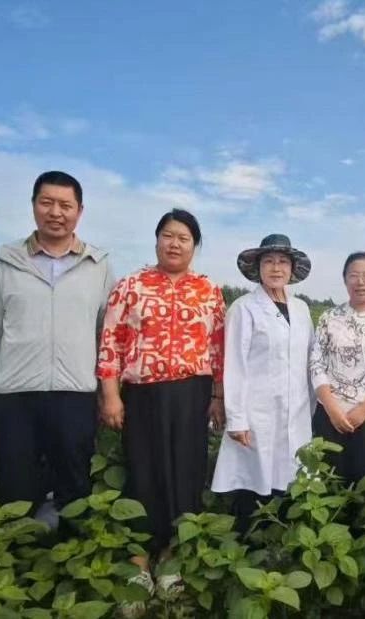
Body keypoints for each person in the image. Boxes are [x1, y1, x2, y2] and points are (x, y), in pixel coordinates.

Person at [97, 209, 225, 603]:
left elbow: (218, 348)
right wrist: (111, 394)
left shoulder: (208, 290)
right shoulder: (130, 286)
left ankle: (171, 556)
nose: (174, 244)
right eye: (168, 235)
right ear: (156, 240)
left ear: (194, 246)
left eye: (183, 238)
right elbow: (111, 341)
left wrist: (218, 395)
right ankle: (139, 560)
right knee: (143, 469)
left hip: (192, 393)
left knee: (186, 471)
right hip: (143, 393)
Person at [0, 171, 115, 527]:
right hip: (14, 394)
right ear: (34, 205)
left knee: (75, 490)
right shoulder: (6, 261)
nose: (56, 212)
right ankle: (17, 556)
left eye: (65, 205)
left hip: (75, 394)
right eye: (47, 203)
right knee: (16, 490)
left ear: (79, 211)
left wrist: (106, 395)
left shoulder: (97, 264)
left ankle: (71, 554)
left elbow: (107, 336)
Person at [211, 234, 314, 533]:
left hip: (296, 412)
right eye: (269, 261)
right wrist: (237, 419)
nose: (276, 268)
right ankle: (247, 545)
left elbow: (310, 360)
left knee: (290, 482)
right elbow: (235, 365)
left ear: (292, 269)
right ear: (258, 268)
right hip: (256, 415)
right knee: (253, 486)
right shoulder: (244, 308)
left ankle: (282, 547)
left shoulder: (302, 309)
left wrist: (312, 406)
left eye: (283, 262)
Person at [308, 252, 365, 483]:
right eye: (354, 275)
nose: (361, 282)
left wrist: (364, 409)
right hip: (330, 415)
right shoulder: (329, 317)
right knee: (328, 483)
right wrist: (332, 409)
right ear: (345, 279)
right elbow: (316, 363)